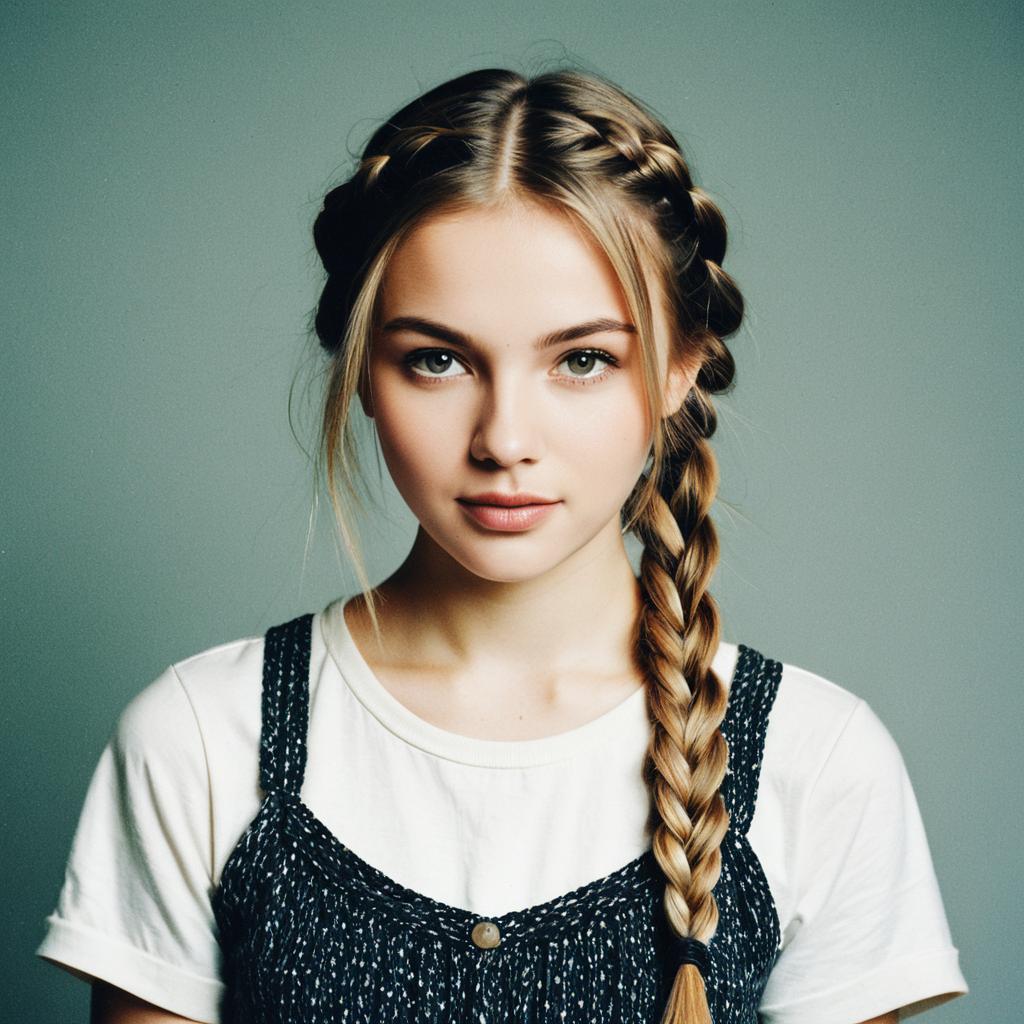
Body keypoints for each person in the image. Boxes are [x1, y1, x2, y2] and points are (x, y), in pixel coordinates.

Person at [36, 67, 969, 1024]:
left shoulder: (819, 763)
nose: (504, 438)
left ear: (681, 368)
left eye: (582, 360)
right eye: (437, 359)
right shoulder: (201, 738)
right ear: (363, 369)